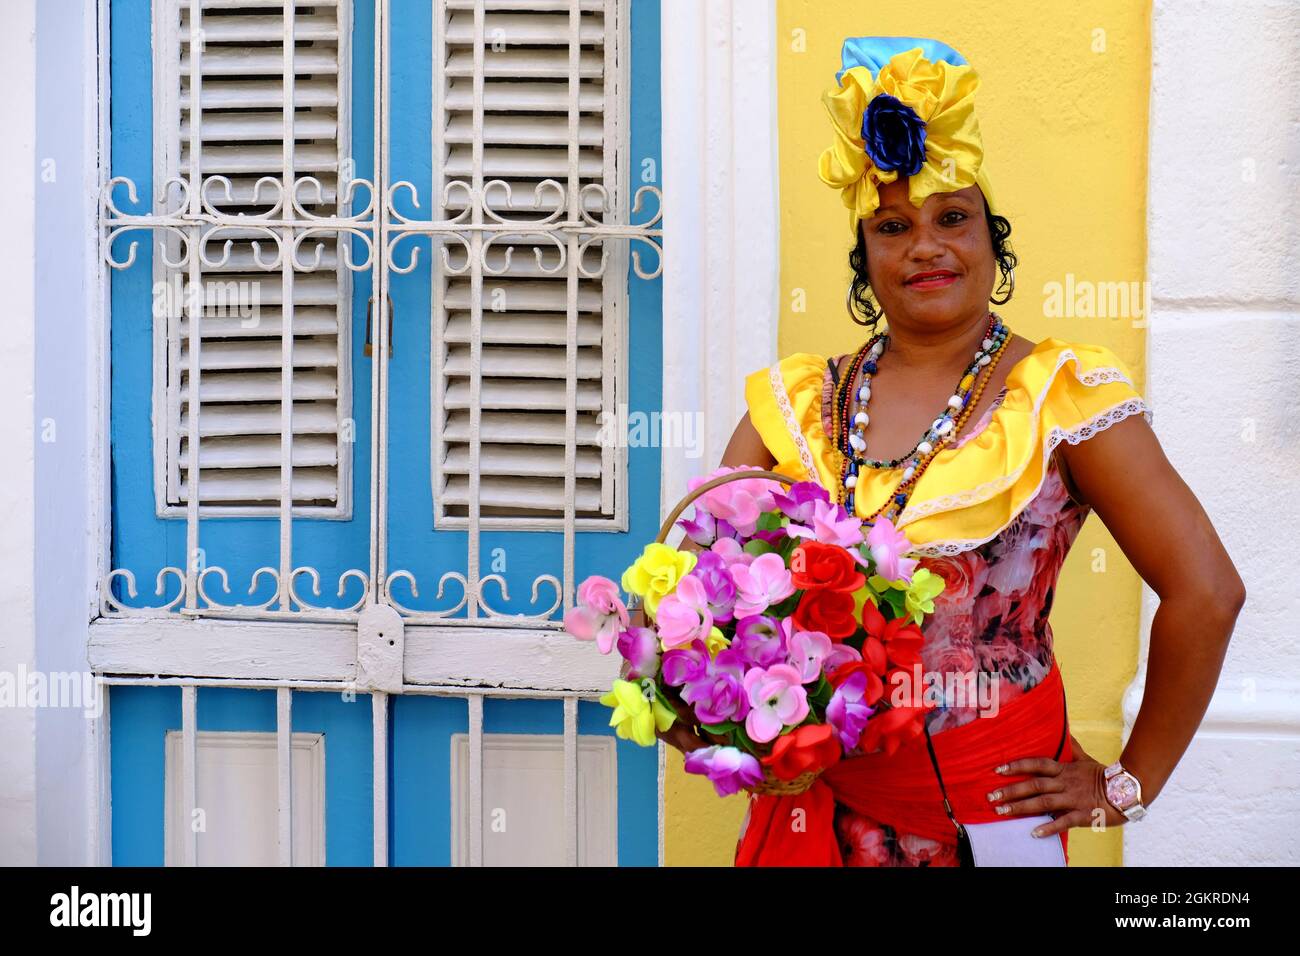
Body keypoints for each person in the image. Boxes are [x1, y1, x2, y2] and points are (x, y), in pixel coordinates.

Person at [650, 36, 1245, 866]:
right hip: (821, 825)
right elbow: (703, 605)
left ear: (992, 240)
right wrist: (708, 716)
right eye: (892, 227)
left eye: (952, 218)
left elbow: (1207, 592)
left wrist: (1126, 784)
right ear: (865, 258)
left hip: (990, 829)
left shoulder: (1061, 397)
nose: (925, 247)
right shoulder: (795, 406)